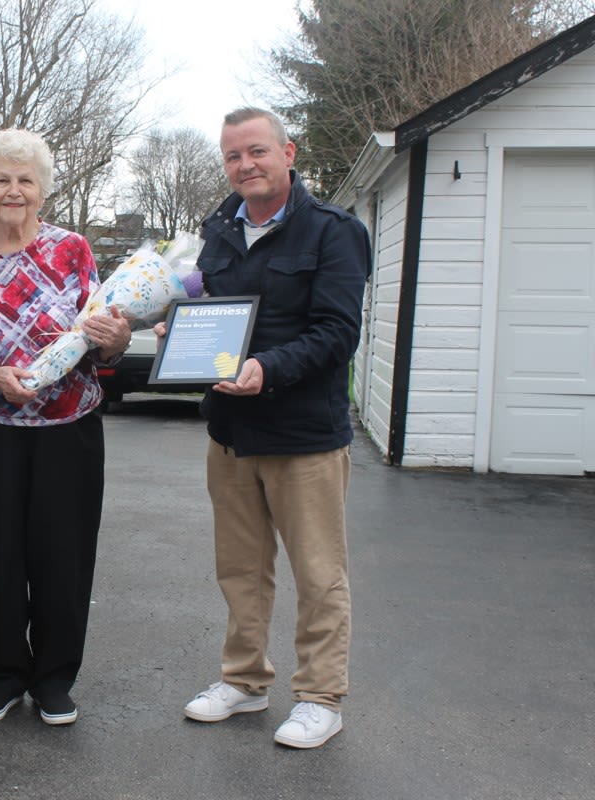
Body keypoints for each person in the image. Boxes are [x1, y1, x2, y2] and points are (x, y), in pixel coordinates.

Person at [169, 107, 370, 749]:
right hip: (230, 433)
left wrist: (266, 368)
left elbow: (339, 333)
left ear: (288, 152)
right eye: (233, 157)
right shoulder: (218, 228)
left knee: (319, 573)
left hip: (303, 434)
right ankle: (245, 682)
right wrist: (179, 331)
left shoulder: (335, 231)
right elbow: (207, 308)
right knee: (241, 568)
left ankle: (321, 697)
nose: (245, 165)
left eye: (256, 151)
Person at [0, 129, 131, 727]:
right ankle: (4, 674)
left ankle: (53, 679)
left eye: (25, 180)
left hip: (67, 427)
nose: (13, 190)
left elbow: (101, 333)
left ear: (42, 189)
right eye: (1, 179)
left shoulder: (73, 250)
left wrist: (116, 342)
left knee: (62, 555)